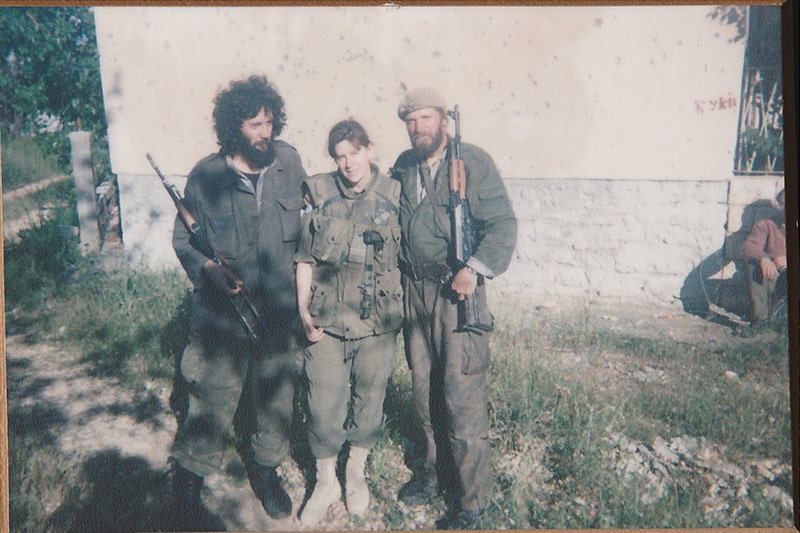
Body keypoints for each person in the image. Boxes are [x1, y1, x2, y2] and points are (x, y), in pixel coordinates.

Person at [169, 75, 307, 520]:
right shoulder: (206, 175)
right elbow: (184, 241)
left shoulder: (288, 162)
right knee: (213, 395)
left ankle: (266, 470)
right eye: (253, 125)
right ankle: (192, 473)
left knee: (275, 397)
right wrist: (210, 270)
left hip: (277, 309)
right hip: (223, 314)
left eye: (269, 122)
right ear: (234, 128)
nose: (264, 133)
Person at [391, 87, 517, 529]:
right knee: (424, 390)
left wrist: (475, 269)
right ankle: (433, 473)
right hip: (414, 291)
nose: (417, 127)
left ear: (443, 120)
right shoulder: (404, 167)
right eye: (409, 120)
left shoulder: (472, 162)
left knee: (461, 395)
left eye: (425, 118)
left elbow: (502, 225)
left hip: (456, 289)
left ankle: (471, 501)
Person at [295, 119, 403, 524]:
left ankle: (355, 470)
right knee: (323, 402)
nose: (348, 164)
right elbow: (304, 257)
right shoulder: (318, 193)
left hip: (378, 322)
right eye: (339, 157)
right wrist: (303, 310)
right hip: (327, 321)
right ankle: (326, 480)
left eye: (354, 154)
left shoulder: (395, 194)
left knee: (369, 399)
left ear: (369, 150)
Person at [737, 188, 786, 337]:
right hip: (775, 279)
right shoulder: (767, 224)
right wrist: (763, 258)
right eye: (784, 204)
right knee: (753, 265)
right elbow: (747, 247)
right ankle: (761, 321)